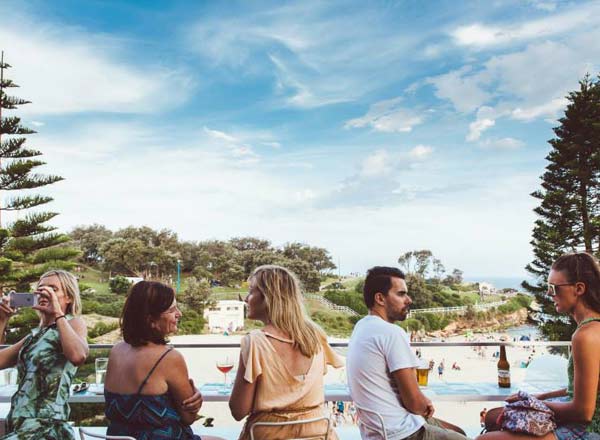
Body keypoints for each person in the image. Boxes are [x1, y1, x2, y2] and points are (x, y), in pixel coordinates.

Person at [478, 252, 600, 440]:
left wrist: (530, 403)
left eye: (553, 288)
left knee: (484, 439)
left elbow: (583, 412)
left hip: (590, 430)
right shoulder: (591, 328)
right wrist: (539, 397)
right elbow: (577, 389)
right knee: (493, 416)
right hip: (586, 420)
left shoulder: (585, 336)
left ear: (579, 288)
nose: (549, 294)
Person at [347, 266, 467, 440]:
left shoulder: (361, 327)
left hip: (376, 432)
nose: (409, 300)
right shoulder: (391, 333)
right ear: (380, 298)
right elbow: (413, 403)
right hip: (400, 433)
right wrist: (423, 403)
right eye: (401, 294)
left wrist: (421, 403)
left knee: (458, 432)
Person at [229, 265, 343, 440]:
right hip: (319, 433)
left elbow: (238, 411)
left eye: (251, 291)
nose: (246, 298)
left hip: (269, 434)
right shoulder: (316, 336)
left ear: (268, 298)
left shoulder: (255, 342)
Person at [104, 281, 224, 440]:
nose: (179, 314)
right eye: (172, 310)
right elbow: (188, 418)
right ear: (150, 320)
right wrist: (196, 399)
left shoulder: (116, 351)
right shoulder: (168, 358)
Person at [0, 270, 88, 439]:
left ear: (68, 297)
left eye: (53, 289)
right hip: (19, 424)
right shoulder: (34, 335)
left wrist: (58, 314)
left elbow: (78, 356)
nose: (45, 292)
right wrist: (2, 319)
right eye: (41, 288)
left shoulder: (73, 323)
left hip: (46, 426)